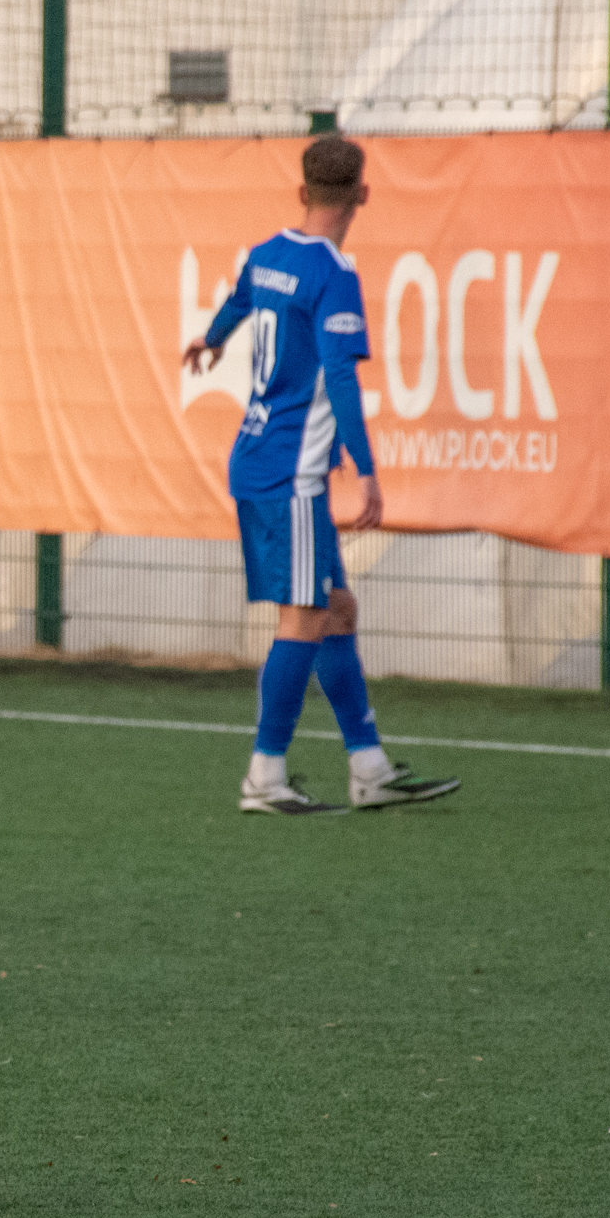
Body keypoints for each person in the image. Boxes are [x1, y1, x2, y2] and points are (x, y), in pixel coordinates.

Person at [181, 133, 460, 816]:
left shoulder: (268, 254)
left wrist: (211, 339)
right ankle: (265, 777)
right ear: (363, 192)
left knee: (336, 609)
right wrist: (367, 472)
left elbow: (240, 299)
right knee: (304, 617)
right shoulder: (335, 275)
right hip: (292, 475)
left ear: (302, 191)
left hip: (261, 458)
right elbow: (339, 376)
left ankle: (370, 769)